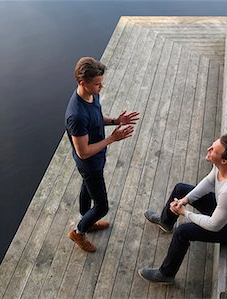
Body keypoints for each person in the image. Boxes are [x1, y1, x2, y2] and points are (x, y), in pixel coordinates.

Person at [138, 134, 227, 284]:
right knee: (181, 189)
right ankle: (165, 222)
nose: (209, 148)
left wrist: (185, 213)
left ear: (224, 160)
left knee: (182, 232)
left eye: (213, 149)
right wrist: (185, 200)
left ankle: (166, 274)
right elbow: (209, 181)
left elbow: (214, 225)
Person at [65, 57, 140, 252]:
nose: (102, 86)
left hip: (96, 159)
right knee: (102, 207)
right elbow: (83, 152)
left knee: (86, 187)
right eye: (97, 83)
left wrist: (116, 120)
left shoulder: (92, 95)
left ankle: (86, 220)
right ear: (83, 83)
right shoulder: (77, 115)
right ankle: (78, 232)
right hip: (90, 163)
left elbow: (97, 119)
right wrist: (111, 139)